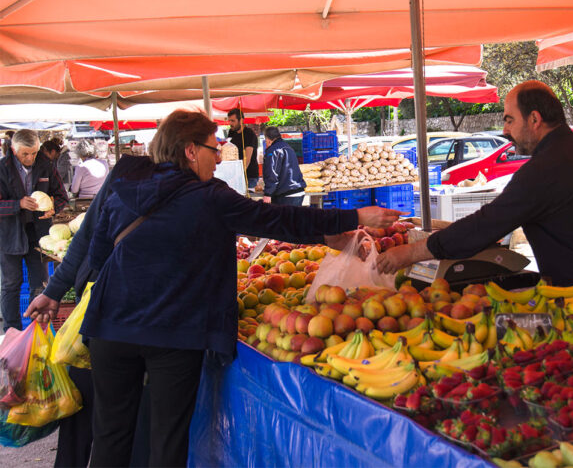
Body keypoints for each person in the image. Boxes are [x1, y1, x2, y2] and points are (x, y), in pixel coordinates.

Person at [61, 110, 400, 467]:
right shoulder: (210, 198)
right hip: (174, 335)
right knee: (168, 439)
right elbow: (280, 219)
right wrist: (355, 216)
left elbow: (97, 254)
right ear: (190, 151)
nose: (220, 154)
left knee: (110, 437)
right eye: (215, 147)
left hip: (111, 328)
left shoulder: (124, 185)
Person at [376, 80, 573, 312]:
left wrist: (410, 252)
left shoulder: (543, 170)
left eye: (510, 120)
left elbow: (484, 226)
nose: (505, 131)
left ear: (535, 119)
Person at [25, 152, 160, 467]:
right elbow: (86, 241)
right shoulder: (160, 182)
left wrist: (55, 292)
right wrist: (55, 291)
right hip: (113, 315)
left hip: (102, 312)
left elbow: (84, 241)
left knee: (98, 414)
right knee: (112, 414)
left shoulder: (129, 174)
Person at [0, 129, 68, 331]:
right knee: (11, 284)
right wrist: (18, 204)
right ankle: (11, 331)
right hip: (9, 233)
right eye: (25, 154)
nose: (30, 158)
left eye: (34, 153)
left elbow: (61, 195)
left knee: (39, 285)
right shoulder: (2, 168)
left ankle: (36, 332)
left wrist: (54, 208)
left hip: (38, 234)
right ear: (14, 149)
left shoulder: (45, 166)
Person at [262, 125, 306, 206]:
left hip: (286, 195)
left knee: (284, 218)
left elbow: (272, 172)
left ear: (268, 139)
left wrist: (268, 193)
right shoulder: (288, 147)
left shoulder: (274, 150)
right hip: (298, 191)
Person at [226, 108, 260, 189]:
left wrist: (237, 176)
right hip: (234, 176)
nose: (230, 123)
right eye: (229, 121)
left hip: (249, 176)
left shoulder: (249, 134)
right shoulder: (232, 132)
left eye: (233, 121)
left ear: (241, 120)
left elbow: (247, 159)